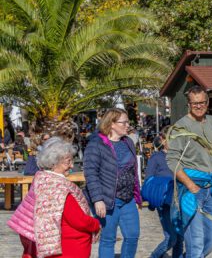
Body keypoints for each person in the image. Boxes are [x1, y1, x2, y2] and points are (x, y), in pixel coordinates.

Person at [8, 137, 100, 258]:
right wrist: (96, 224)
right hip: (67, 247)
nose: (72, 165)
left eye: (72, 161)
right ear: (53, 163)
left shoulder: (42, 178)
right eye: (68, 162)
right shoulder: (58, 188)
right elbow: (78, 220)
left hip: (56, 244)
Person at [166, 86, 212, 257]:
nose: (199, 106)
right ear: (188, 104)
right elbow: (172, 160)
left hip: (211, 189)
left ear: (208, 102)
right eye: (195, 103)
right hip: (192, 190)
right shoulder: (180, 127)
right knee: (195, 242)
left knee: (210, 240)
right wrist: (190, 185)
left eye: (202, 102)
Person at [83, 108, 142, 258]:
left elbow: (133, 171)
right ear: (112, 124)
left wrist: (136, 195)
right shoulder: (96, 144)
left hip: (128, 198)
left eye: (128, 121)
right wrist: (98, 200)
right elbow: (90, 173)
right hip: (108, 199)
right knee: (108, 239)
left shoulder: (128, 142)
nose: (128, 125)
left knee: (132, 236)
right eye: (124, 122)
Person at [146, 136, 183, 258]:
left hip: (179, 200)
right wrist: (153, 200)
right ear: (163, 142)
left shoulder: (179, 157)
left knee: (179, 236)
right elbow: (149, 179)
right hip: (164, 201)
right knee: (171, 238)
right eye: (170, 139)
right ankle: (155, 256)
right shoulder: (156, 157)